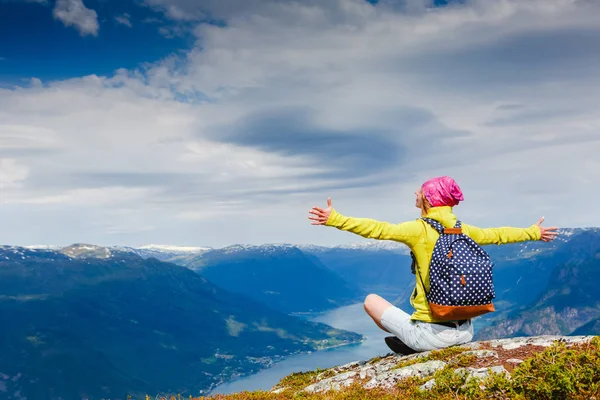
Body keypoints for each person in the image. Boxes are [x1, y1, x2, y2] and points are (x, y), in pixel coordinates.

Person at [308, 176, 559, 353]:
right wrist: (533, 233)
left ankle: (410, 345)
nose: (415, 195)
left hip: (431, 336)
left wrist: (336, 219)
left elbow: (378, 229)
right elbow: (498, 234)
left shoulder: (418, 229)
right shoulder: (462, 229)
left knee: (371, 301)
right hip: (466, 332)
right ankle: (413, 341)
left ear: (428, 199)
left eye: (419, 192)